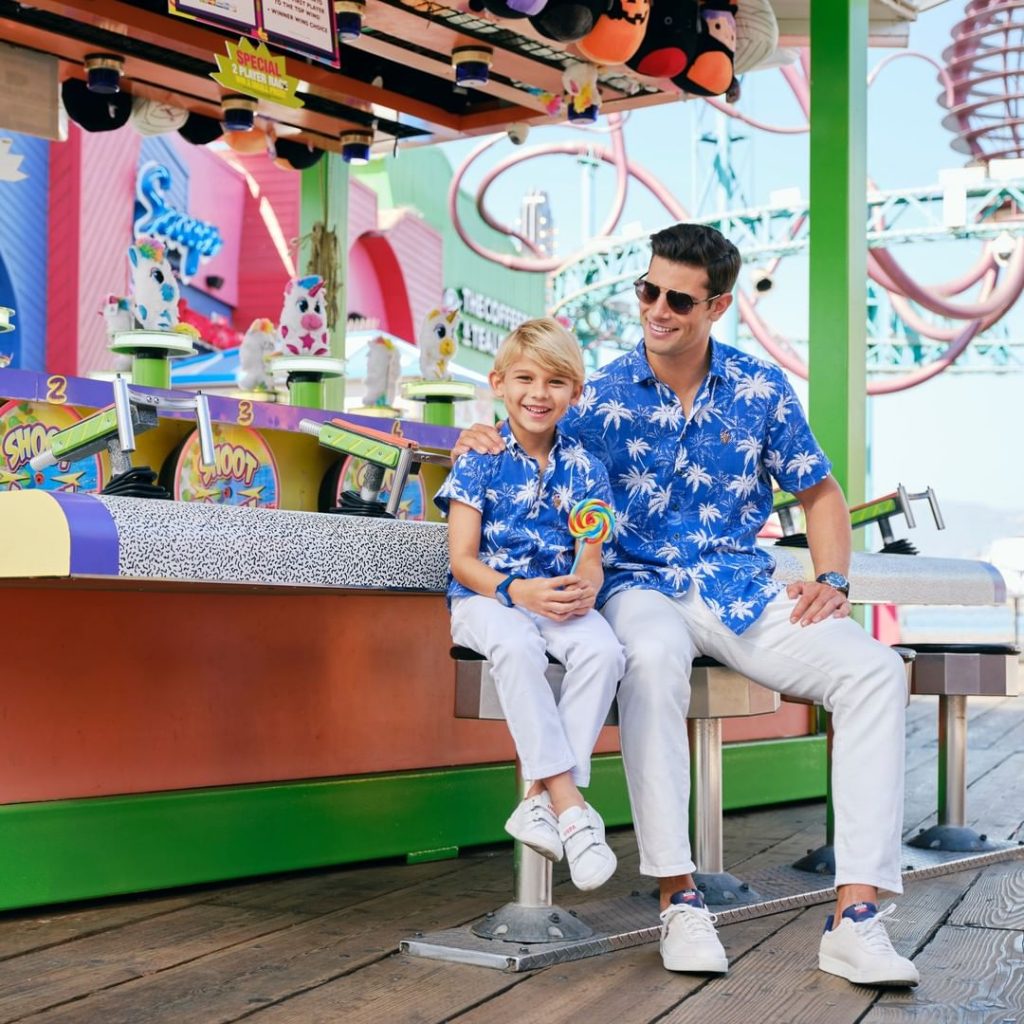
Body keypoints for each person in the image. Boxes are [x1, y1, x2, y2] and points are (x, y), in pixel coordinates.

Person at [454, 224, 919, 986]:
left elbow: (821, 492)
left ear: (719, 304)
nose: (656, 309)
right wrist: (474, 435)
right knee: (651, 656)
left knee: (873, 671)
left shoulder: (760, 388)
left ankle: (856, 917)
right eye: (647, 291)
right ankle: (679, 898)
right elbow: (526, 426)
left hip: (742, 587)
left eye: (677, 298)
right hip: (638, 586)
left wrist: (833, 580)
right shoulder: (594, 395)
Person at [436, 317, 625, 891]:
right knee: (515, 644)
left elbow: (590, 552)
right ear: (498, 383)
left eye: (556, 382)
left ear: (577, 392)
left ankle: (537, 802)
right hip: (486, 599)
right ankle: (570, 805)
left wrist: (586, 580)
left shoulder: (587, 467)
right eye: (525, 379)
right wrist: (515, 591)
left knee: (605, 651)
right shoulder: (480, 458)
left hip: (555, 601)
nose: (538, 394)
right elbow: (462, 560)